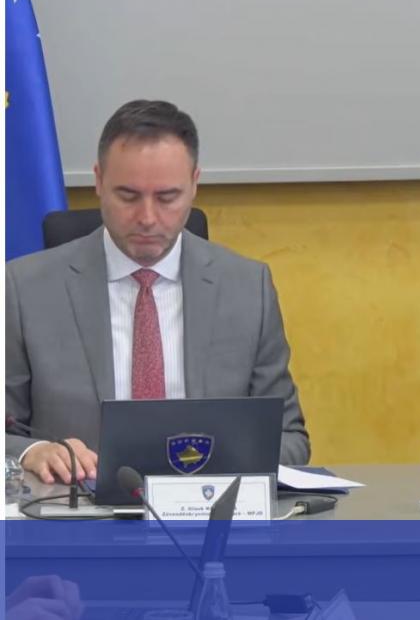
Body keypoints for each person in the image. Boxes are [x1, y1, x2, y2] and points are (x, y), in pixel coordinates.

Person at [6, 100, 310, 483]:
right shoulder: (24, 289)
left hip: (206, 505)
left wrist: (225, 456)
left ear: (194, 184)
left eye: (167, 197)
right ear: (98, 181)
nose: (147, 218)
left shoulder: (248, 289)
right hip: (78, 507)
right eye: (128, 196)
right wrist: (33, 452)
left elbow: (291, 440)